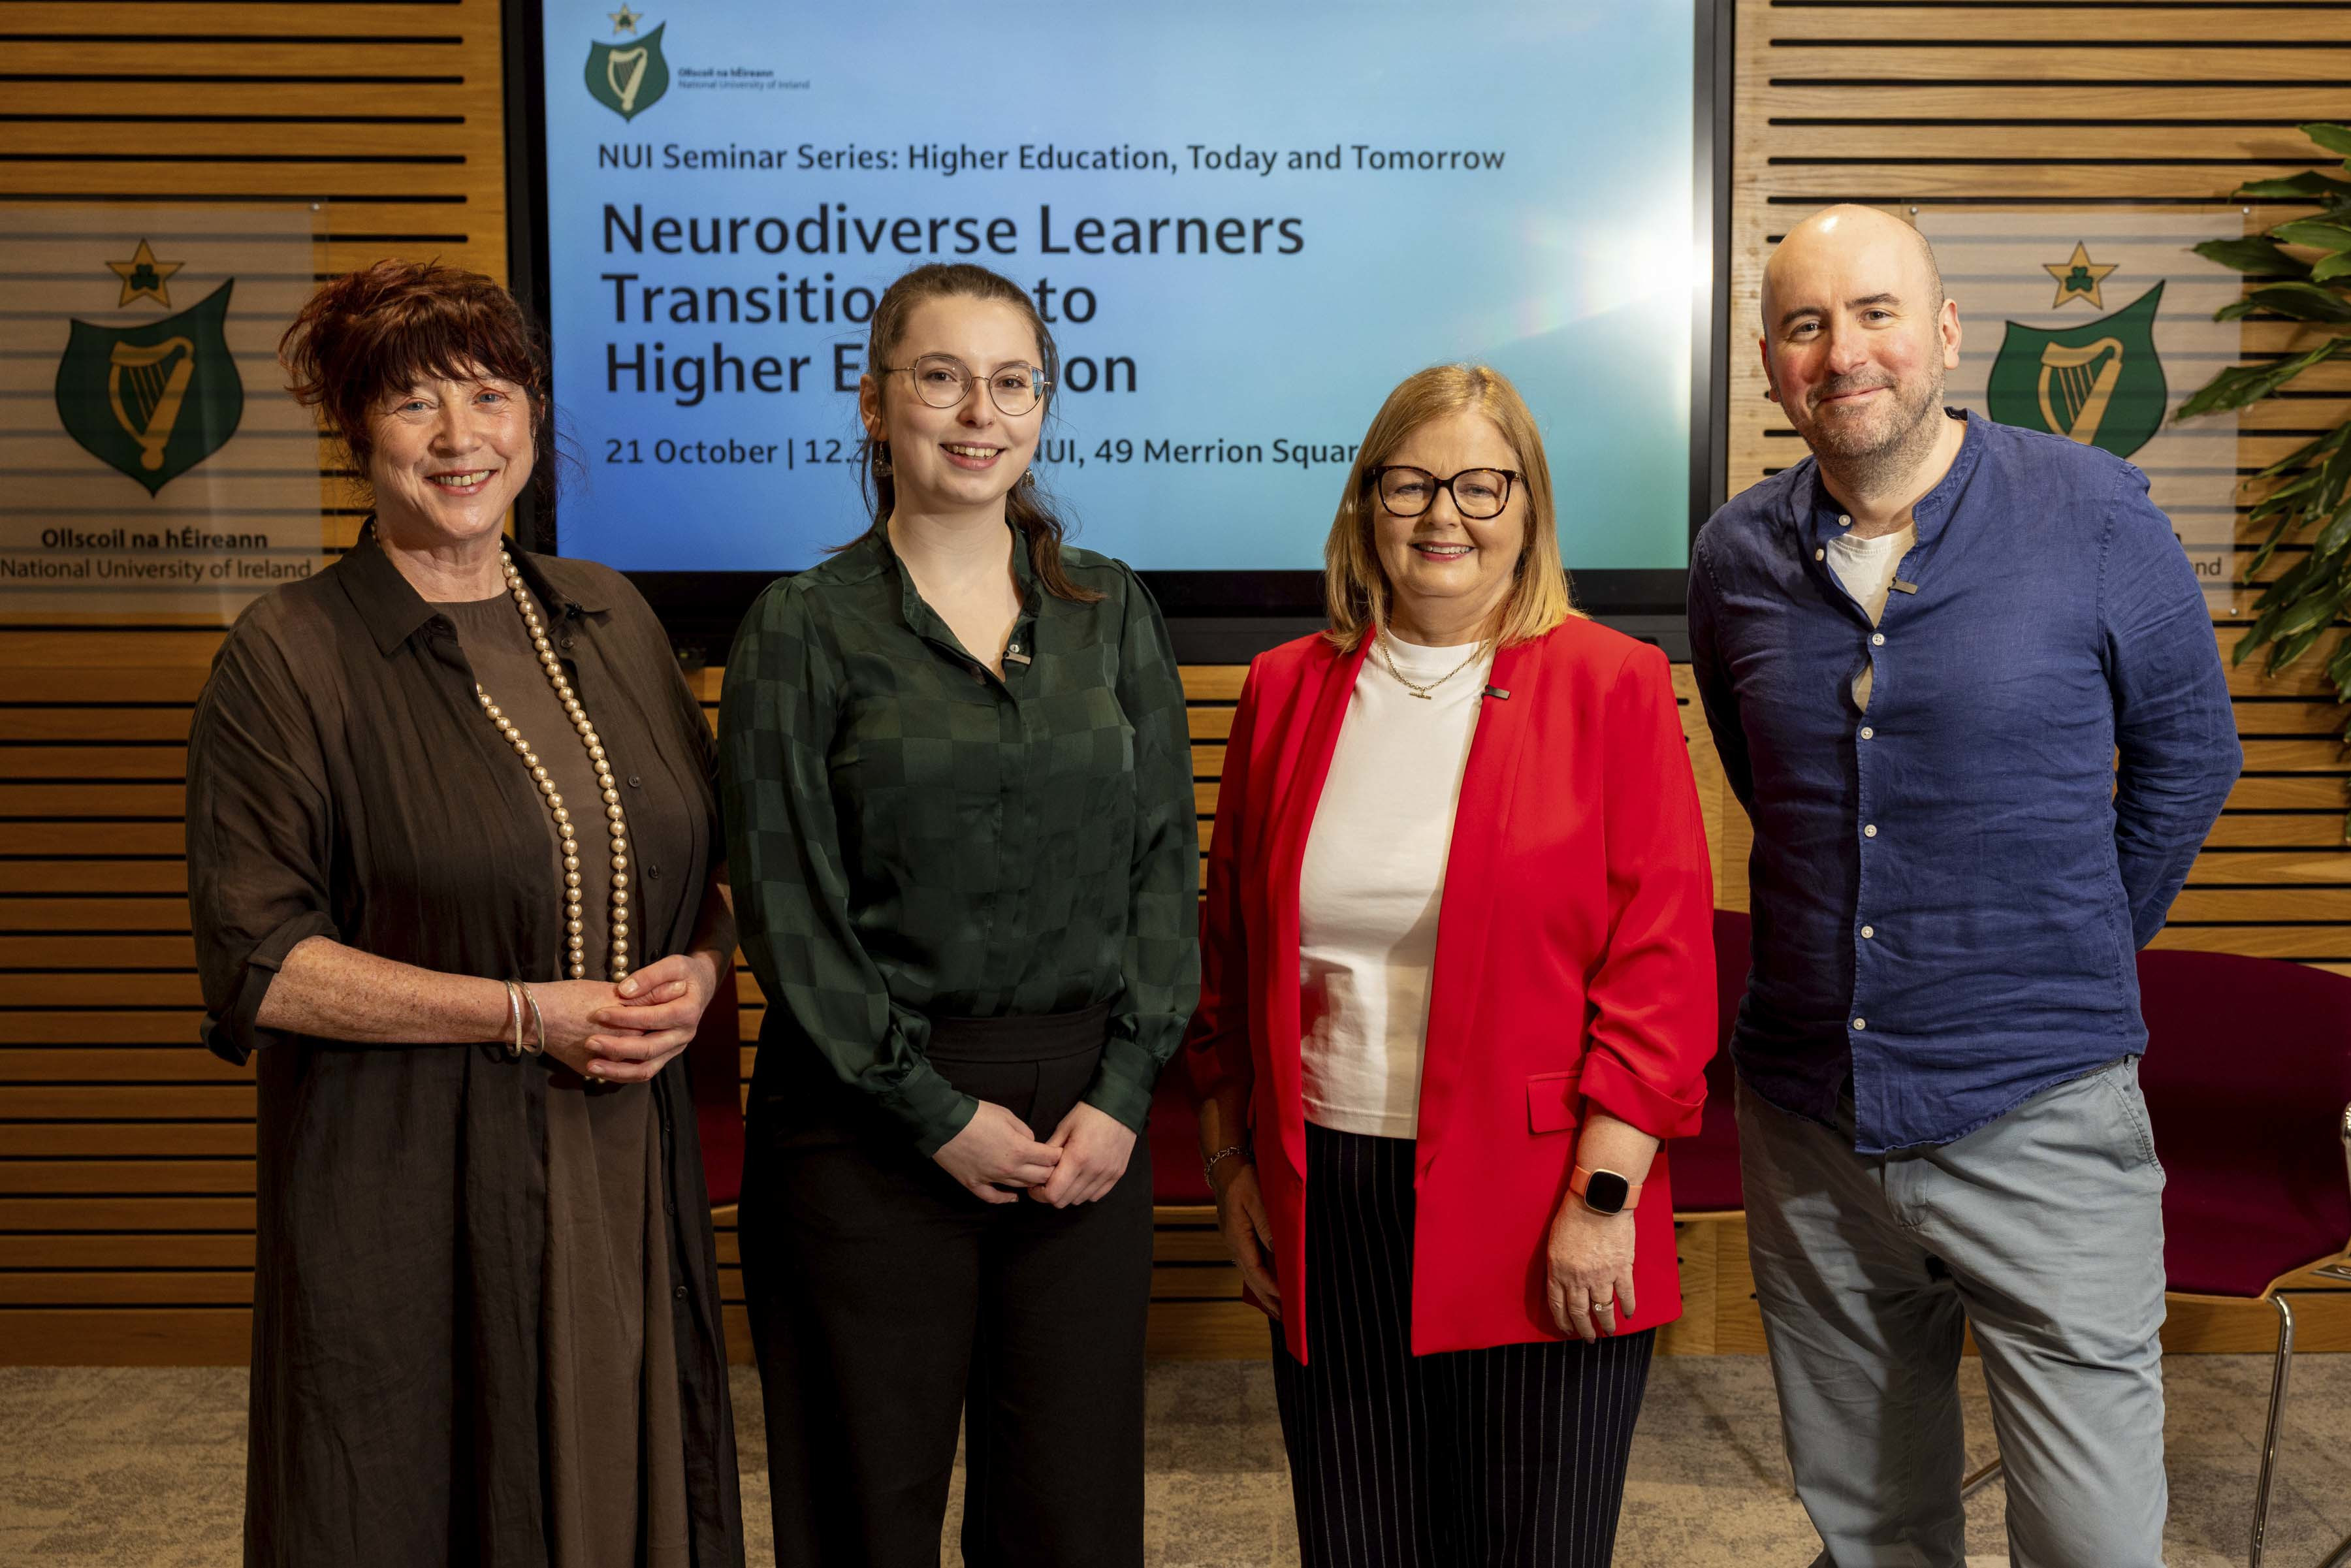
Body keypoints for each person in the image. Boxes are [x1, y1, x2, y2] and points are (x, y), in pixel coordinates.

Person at [1687, 204, 2241, 1565]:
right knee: (1873, 1531)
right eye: (1806, 326)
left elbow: (2191, 758)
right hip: (1812, 1119)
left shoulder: (2093, 511)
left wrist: (2075, 944)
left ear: (1944, 331)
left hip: (2042, 1114)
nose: (1842, 352)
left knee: (2094, 1544)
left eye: (1875, 312)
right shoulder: (1736, 556)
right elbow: (1780, 785)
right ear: (1769, 362)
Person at [185, 259, 744, 1565]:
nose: (459, 436)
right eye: (414, 402)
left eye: (488, 395)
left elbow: (702, 875)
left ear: (532, 422)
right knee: (419, 1491)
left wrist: (705, 974)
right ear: (356, 432)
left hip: (620, 1161)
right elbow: (260, 962)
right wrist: (517, 1014)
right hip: (407, 1180)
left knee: (625, 1490)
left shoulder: (609, 614)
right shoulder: (289, 655)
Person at [1185, 363, 1716, 1567]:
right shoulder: (1283, 691)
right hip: (1327, 1196)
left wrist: (1602, 1203)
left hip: (1547, 1203)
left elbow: (1664, 975)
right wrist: (1230, 1170)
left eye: (1483, 485)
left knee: (1529, 1547)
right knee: (1357, 1538)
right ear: (1365, 502)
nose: (1444, 517)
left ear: (1529, 507)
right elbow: (1227, 964)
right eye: (1411, 482)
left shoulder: (1612, 682)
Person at [718, 261, 1199, 1568]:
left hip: (1086, 1117)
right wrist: (930, 1111)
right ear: (876, 403)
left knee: (1072, 1511)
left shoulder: (1110, 611)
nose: (977, 411)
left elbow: (1166, 867)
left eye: (1011, 382)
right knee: (864, 1506)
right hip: (865, 1111)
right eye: (940, 377)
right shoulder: (801, 629)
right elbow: (787, 907)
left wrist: (1126, 1088)